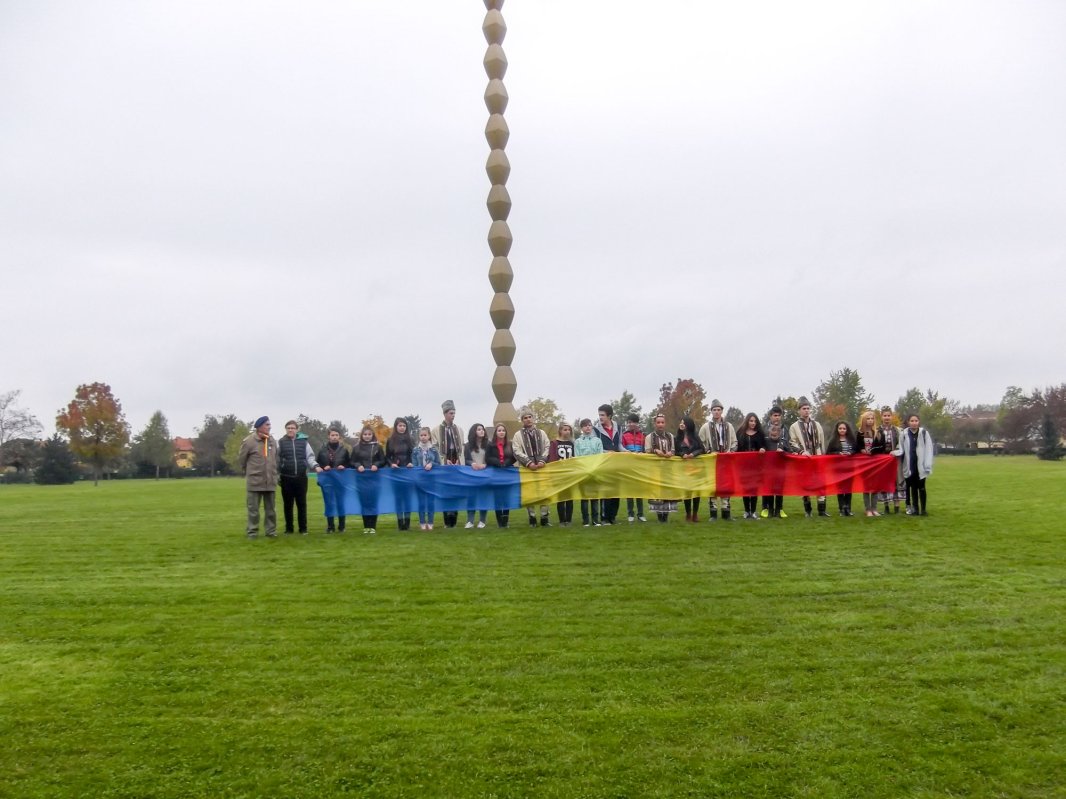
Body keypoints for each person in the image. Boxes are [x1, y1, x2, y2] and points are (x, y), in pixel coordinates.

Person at [238, 416, 279, 539]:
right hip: (255, 481)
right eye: (267, 425)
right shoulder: (249, 441)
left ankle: (271, 531)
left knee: (271, 510)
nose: (269, 427)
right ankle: (252, 532)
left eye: (269, 424)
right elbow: (242, 460)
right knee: (253, 510)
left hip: (270, 481)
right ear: (259, 427)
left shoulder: (272, 440)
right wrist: (251, 472)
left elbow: (275, 458)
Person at [789, 396, 828, 517]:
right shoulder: (794, 426)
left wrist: (822, 455)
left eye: (808, 408)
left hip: (817, 458)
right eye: (804, 408)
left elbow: (822, 441)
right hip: (804, 460)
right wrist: (801, 452)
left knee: (820, 483)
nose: (806, 410)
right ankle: (808, 511)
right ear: (799, 410)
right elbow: (792, 443)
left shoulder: (817, 425)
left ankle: (822, 510)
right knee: (806, 484)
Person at [277, 419, 319, 535]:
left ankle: (303, 529)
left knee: (301, 504)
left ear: (297, 430)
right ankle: (289, 529)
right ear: (285, 429)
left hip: (301, 477)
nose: (290, 430)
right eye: (288, 428)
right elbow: (277, 459)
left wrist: (315, 466)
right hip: (286, 477)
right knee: (288, 505)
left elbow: (310, 457)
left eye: (293, 428)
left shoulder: (304, 442)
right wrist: (277, 474)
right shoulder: (280, 442)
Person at [513, 407, 552, 527]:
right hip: (527, 469)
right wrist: (528, 463)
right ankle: (532, 518)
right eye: (525, 418)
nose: (528, 419)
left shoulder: (542, 433)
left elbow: (547, 447)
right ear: (522, 420)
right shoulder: (518, 435)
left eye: (530, 417)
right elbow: (516, 450)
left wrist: (542, 461)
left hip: (542, 467)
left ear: (533, 418)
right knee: (529, 493)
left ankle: (545, 518)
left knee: (544, 492)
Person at [699, 399, 737, 521]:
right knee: (713, 486)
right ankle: (713, 514)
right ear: (711, 411)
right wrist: (709, 452)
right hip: (712, 461)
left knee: (726, 485)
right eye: (714, 410)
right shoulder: (706, 427)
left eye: (718, 410)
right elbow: (701, 443)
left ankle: (726, 513)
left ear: (722, 411)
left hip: (726, 460)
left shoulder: (729, 426)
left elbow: (735, 442)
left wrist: (731, 451)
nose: (716, 412)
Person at [432, 400, 465, 529]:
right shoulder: (436, 430)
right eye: (451, 413)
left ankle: (454, 520)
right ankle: (447, 520)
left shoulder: (459, 429)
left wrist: (458, 460)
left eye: (454, 413)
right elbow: (434, 448)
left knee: (455, 491)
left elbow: (461, 446)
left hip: (456, 463)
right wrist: (444, 461)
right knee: (445, 492)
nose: (453, 415)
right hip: (444, 465)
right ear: (445, 414)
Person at [350, 425, 386, 534]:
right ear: (362, 435)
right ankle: (366, 526)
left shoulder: (378, 447)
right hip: (361, 479)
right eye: (365, 434)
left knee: (373, 502)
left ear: (372, 435)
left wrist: (377, 465)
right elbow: (351, 462)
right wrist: (358, 465)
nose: (367, 436)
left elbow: (383, 461)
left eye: (369, 434)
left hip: (375, 479)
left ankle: (373, 526)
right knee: (364, 502)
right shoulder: (356, 447)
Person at [592, 404, 623, 524]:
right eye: (599, 415)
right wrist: (607, 452)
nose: (600, 417)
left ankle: (613, 517)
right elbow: (596, 447)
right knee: (606, 491)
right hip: (604, 463)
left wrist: (627, 452)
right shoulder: (595, 430)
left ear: (609, 416)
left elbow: (619, 445)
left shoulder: (618, 428)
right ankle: (604, 517)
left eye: (602, 415)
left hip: (616, 464)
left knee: (616, 490)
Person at [899, 413, 934, 515]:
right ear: (908, 422)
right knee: (913, 487)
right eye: (912, 421)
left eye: (916, 421)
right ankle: (915, 508)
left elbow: (928, 449)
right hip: (910, 465)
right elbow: (901, 448)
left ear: (919, 422)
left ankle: (923, 509)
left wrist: (927, 464)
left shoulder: (923, 433)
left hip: (921, 465)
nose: (914, 423)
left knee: (922, 487)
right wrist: (895, 453)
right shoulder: (904, 434)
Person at [316, 428, 351, 533]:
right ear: (328, 436)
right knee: (329, 503)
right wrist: (323, 466)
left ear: (339, 436)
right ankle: (330, 526)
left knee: (341, 502)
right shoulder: (322, 450)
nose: (334, 437)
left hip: (340, 480)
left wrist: (343, 466)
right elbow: (317, 463)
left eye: (336, 435)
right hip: (327, 480)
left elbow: (349, 464)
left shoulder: (344, 450)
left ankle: (342, 526)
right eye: (332, 435)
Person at [761, 406, 791, 518]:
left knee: (779, 486)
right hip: (767, 464)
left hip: (780, 463)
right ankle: (767, 508)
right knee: (768, 486)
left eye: (779, 415)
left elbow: (788, 443)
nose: (777, 418)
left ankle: (779, 509)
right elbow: (761, 443)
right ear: (770, 416)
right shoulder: (764, 428)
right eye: (775, 415)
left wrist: (783, 448)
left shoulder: (785, 429)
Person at [644, 412, 675, 523]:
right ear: (655, 424)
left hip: (667, 469)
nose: (660, 424)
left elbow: (673, 450)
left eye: (662, 422)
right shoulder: (649, 437)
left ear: (665, 423)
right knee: (657, 493)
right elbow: (647, 451)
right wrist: (656, 451)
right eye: (658, 422)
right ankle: (659, 516)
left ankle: (665, 516)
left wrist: (670, 454)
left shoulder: (670, 436)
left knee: (666, 492)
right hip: (655, 469)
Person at [855, 410, 887, 516]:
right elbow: (856, 446)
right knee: (866, 487)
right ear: (864, 420)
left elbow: (882, 446)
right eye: (868, 418)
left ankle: (874, 508)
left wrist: (872, 451)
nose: (870, 420)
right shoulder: (860, 433)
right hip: (864, 463)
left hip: (875, 463)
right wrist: (862, 450)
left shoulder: (878, 432)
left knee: (875, 486)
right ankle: (868, 509)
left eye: (872, 418)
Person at [735, 413, 766, 519]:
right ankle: (746, 511)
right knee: (745, 488)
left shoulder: (760, 433)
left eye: (755, 421)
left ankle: (753, 511)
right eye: (751, 421)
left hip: (755, 466)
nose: (753, 423)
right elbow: (737, 447)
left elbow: (763, 445)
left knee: (754, 489)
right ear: (747, 421)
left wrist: (762, 449)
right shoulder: (740, 433)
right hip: (743, 466)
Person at [386, 418, 415, 530]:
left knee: (407, 498)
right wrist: (391, 464)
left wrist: (411, 463)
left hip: (408, 472)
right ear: (396, 427)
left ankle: (407, 523)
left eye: (404, 425)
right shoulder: (391, 440)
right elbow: (387, 456)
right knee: (398, 498)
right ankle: (400, 523)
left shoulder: (411, 439)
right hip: (395, 473)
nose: (402, 427)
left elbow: (414, 454)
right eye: (400, 425)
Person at [485, 422, 516, 528]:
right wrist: (497, 462)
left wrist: (507, 463)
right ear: (496, 432)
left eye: (503, 430)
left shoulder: (510, 444)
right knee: (498, 498)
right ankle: (499, 522)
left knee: (506, 497)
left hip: (507, 472)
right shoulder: (490, 445)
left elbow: (514, 457)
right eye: (499, 430)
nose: (501, 432)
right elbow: (487, 458)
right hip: (495, 472)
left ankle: (505, 520)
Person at [574, 418, 604, 527]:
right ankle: (585, 520)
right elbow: (577, 457)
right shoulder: (578, 442)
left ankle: (596, 520)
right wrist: (584, 469)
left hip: (595, 472)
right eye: (585, 425)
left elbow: (600, 456)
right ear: (581, 428)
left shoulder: (597, 441)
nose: (588, 427)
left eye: (589, 425)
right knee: (585, 498)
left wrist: (594, 468)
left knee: (595, 498)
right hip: (583, 472)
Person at [825, 420, 857, 516]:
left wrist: (850, 453)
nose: (842, 430)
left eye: (844, 428)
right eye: (840, 428)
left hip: (850, 468)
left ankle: (848, 508)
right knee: (840, 489)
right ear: (837, 429)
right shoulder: (833, 440)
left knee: (848, 489)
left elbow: (856, 450)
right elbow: (828, 453)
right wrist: (838, 454)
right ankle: (841, 509)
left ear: (847, 430)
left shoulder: (851, 440)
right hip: (838, 469)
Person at [412, 427, 441, 530]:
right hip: (420, 479)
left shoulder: (433, 449)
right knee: (421, 501)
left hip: (431, 479)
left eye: (425, 435)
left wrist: (431, 464)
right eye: (421, 435)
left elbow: (438, 463)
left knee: (430, 501)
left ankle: (430, 522)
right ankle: (422, 522)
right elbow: (414, 464)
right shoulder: (415, 450)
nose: (423, 437)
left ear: (429, 436)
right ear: (419, 436)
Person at [676, 417, 704, 522]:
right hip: (684, 468)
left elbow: (702, 448)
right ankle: (688, 514)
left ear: (688, 424)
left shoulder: (695, 436)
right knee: (687, 491)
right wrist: (683, 454)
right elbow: (676, 450)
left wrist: (693, 454)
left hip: (696, 467)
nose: (682, 424)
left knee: (696, 491)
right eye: (681, 422)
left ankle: (695, 514)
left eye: (684, 423)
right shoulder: (678, 437)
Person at [548, 422, 576, 526]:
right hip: (559, 474)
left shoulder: (572, 443)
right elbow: (552, 458)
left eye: (569, 430)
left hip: (570, 474)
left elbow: (575, 458)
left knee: (569, 498)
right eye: (565, 429)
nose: (567, 431)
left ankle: (568, 520)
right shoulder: (554, 443)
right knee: (561, 499)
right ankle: (562, 520)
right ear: (560, 430)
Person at [621, 413, 647, 522]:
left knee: (639, 491)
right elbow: (621, 448)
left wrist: (642, 453)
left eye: (633, 422)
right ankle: (630, 514)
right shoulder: (624, 435)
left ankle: (640, 514)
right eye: (629, 422)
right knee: (630, 491)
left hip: (639, 466)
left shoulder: (643, 436)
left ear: (637, 423)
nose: (631, 424)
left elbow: (646, 449)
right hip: (628, 466)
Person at [464, 423, 490, 529]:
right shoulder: (467, 445)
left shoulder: (489, 445)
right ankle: (470, 521)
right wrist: (472, 463)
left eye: (482, 429)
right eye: (479, 429)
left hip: (484, 474)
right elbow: (466, 459)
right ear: (474, 431)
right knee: (471, 498)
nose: (482, 431)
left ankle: (482, 521)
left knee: (483, 497)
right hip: (472, 475)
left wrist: (486, 464)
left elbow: (491, 458)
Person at [880, 406, 904, 514]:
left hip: (894, 460)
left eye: (888, 415)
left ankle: (897, 507)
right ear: (881, 417)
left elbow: (901, 444)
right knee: (884, 482)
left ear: (892, 417)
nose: (887, 418)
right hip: (882, 462)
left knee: (896, 482)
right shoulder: (877, 430)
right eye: (885, 416)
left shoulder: (898, 430)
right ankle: (886, 507)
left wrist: (895, 452)